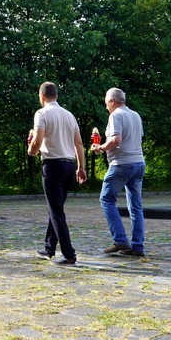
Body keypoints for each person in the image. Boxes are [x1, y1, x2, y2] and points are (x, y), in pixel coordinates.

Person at [27, 82, 87, 265]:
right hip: (69, 165)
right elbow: (79, 143)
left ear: (42, 96)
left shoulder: (41, 113)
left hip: (52, 165)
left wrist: (31, 151)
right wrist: (81, 167)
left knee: (56, 211)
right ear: (56, 96)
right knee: (56, 209)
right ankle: (49, 248)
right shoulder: (69, 115)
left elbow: (37, 140)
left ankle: (69, 254)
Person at [91, 88, 146, 257]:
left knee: (106, 199)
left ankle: (120, 240)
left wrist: (101, 148)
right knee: (135, 206)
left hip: (122, 164)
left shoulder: (116, 115)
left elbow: (116, 140)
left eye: (106, 103)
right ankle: (137, 247)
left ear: (112, 101)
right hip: (139, 163)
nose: (106, 106)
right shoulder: (135, 115)